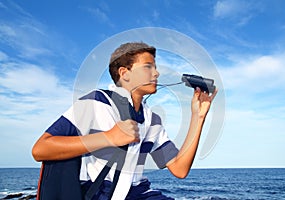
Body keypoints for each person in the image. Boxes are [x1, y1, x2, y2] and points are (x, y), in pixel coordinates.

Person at [32, 42, 217, 200]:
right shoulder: (96, 102)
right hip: (100, 194)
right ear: (124, 73)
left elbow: (179, 169)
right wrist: (108, 138)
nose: (157, 73)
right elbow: (41, 149)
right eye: (148, 66)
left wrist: (198, 117)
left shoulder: (153, 121)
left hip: (140, 193)